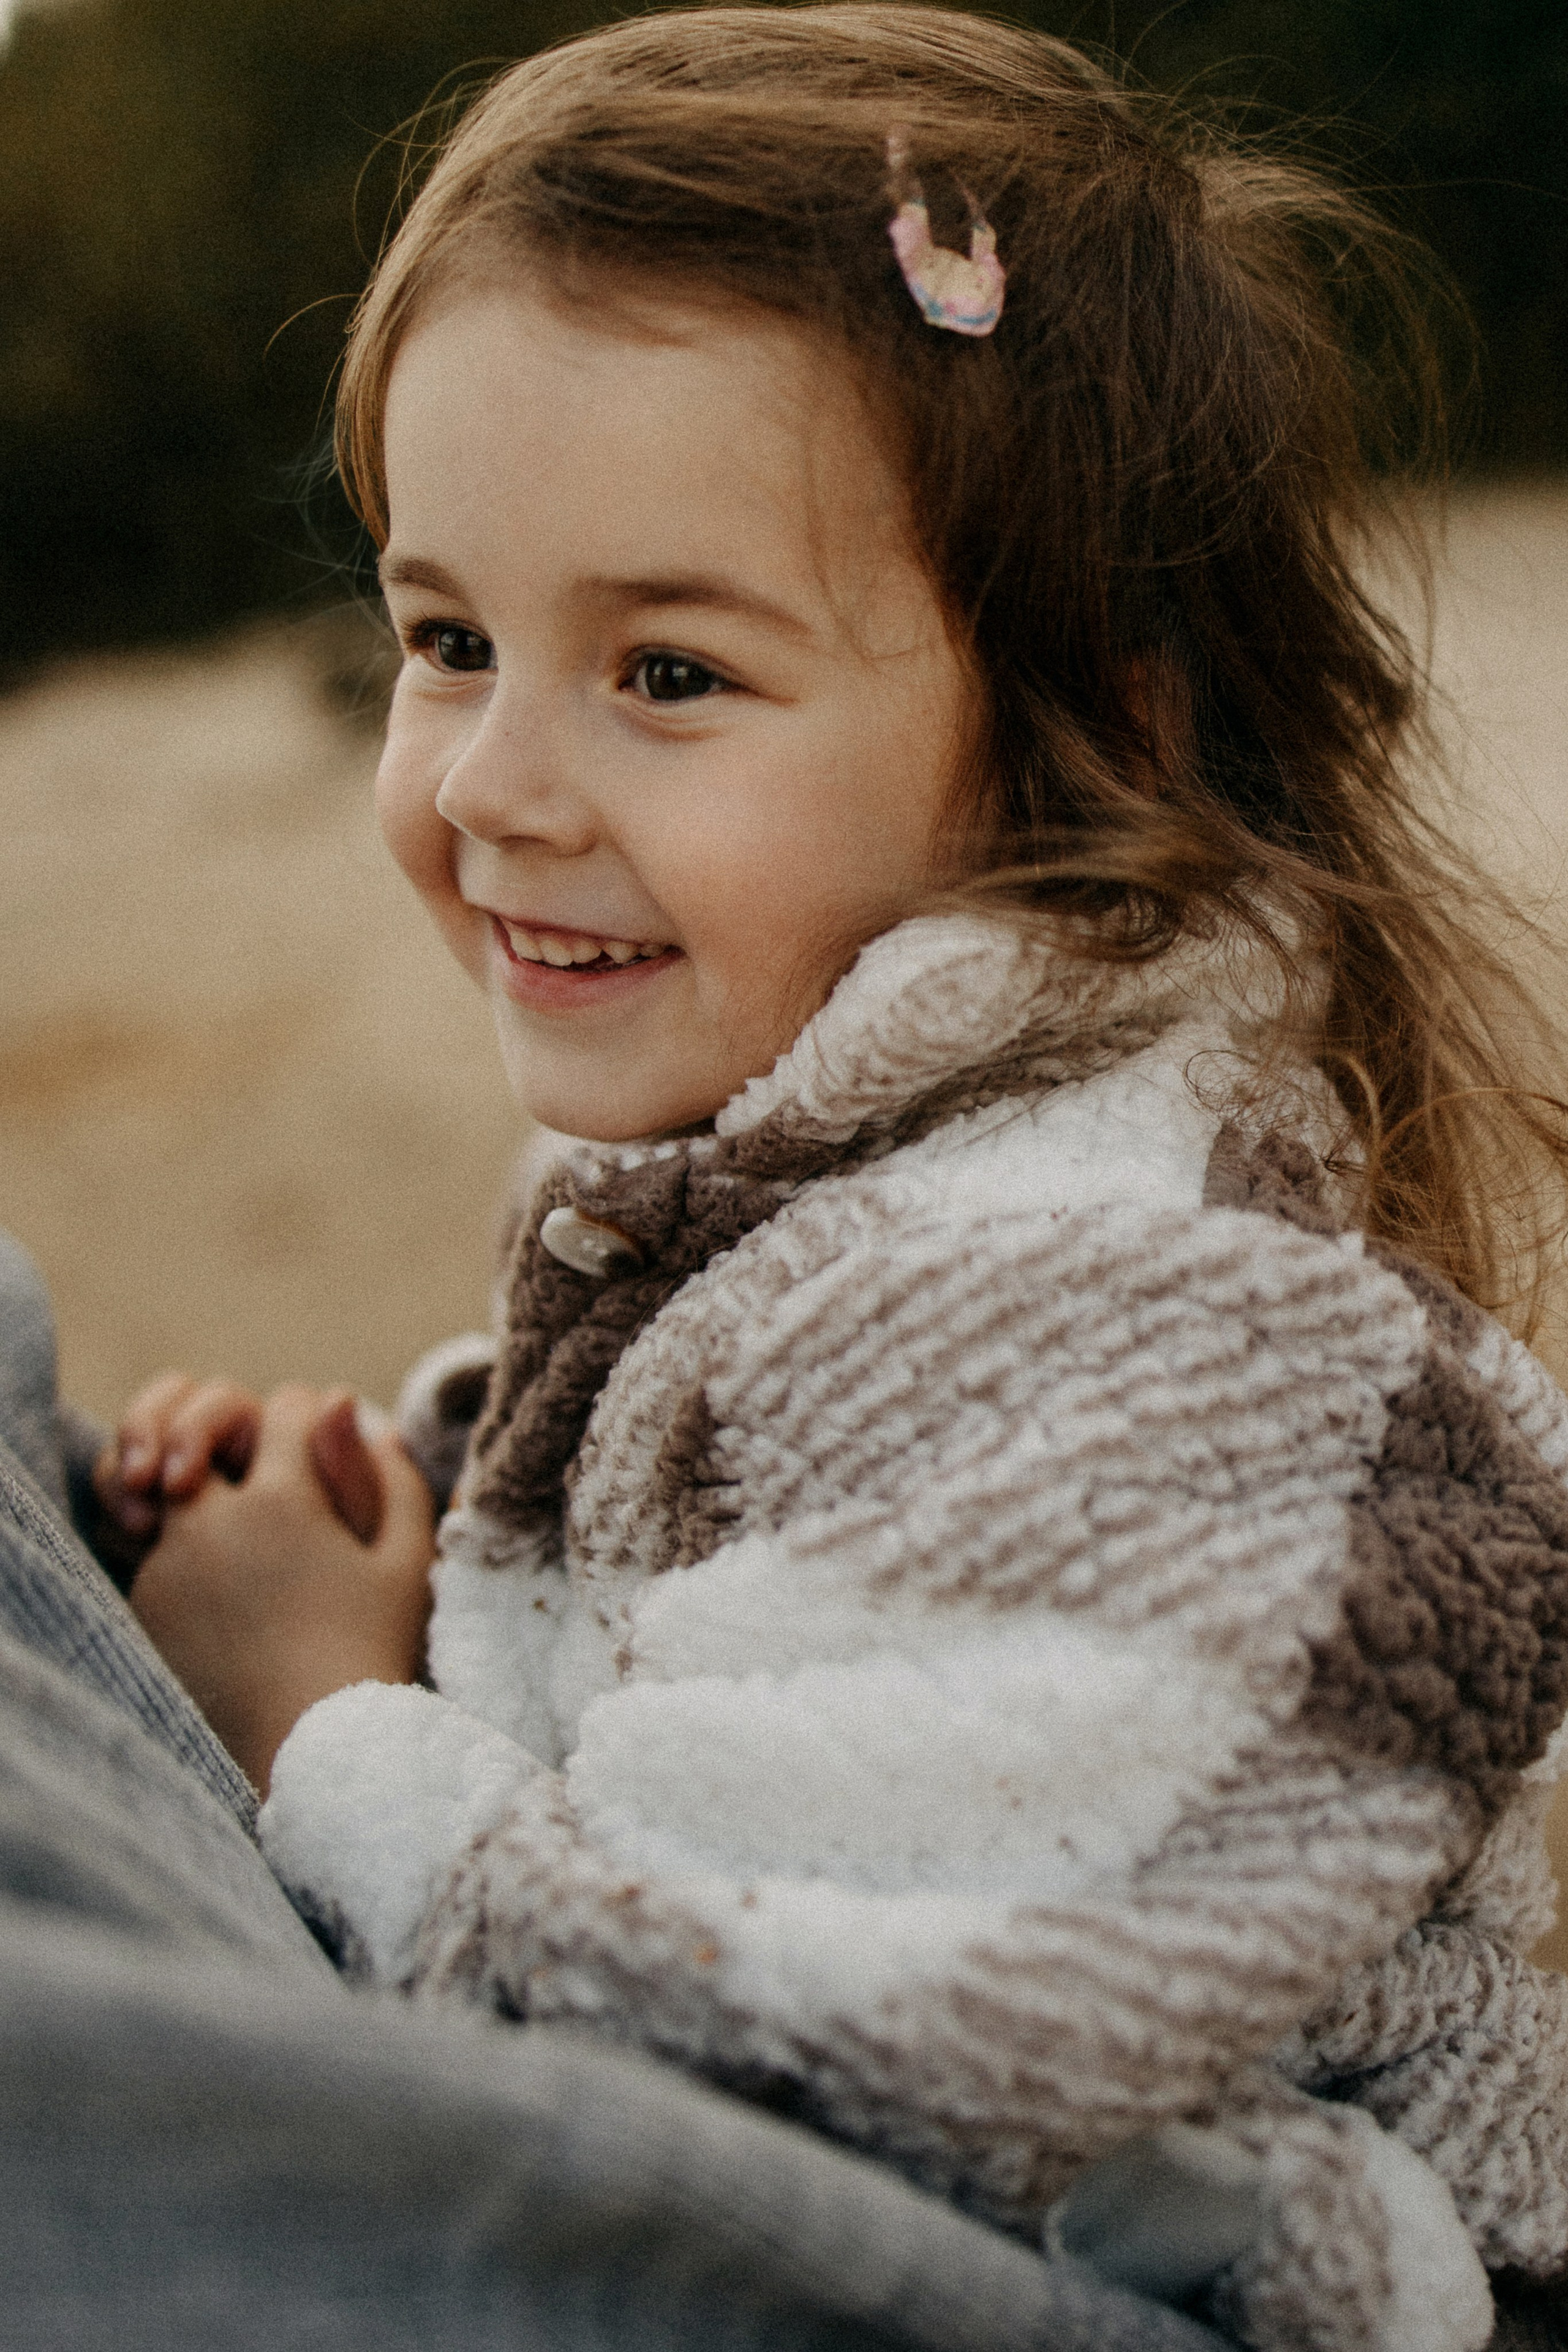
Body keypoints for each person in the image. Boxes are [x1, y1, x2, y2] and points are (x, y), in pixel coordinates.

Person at [83, 8, 1568, 2346]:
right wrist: (430, 1484)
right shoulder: (845, 1169)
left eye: (668, 673)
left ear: (1092, 725)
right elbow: (759, 1528)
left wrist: (315, 1723)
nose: (488, 782)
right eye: (446, 637)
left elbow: (820, 2075)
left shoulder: (1149, 1321)